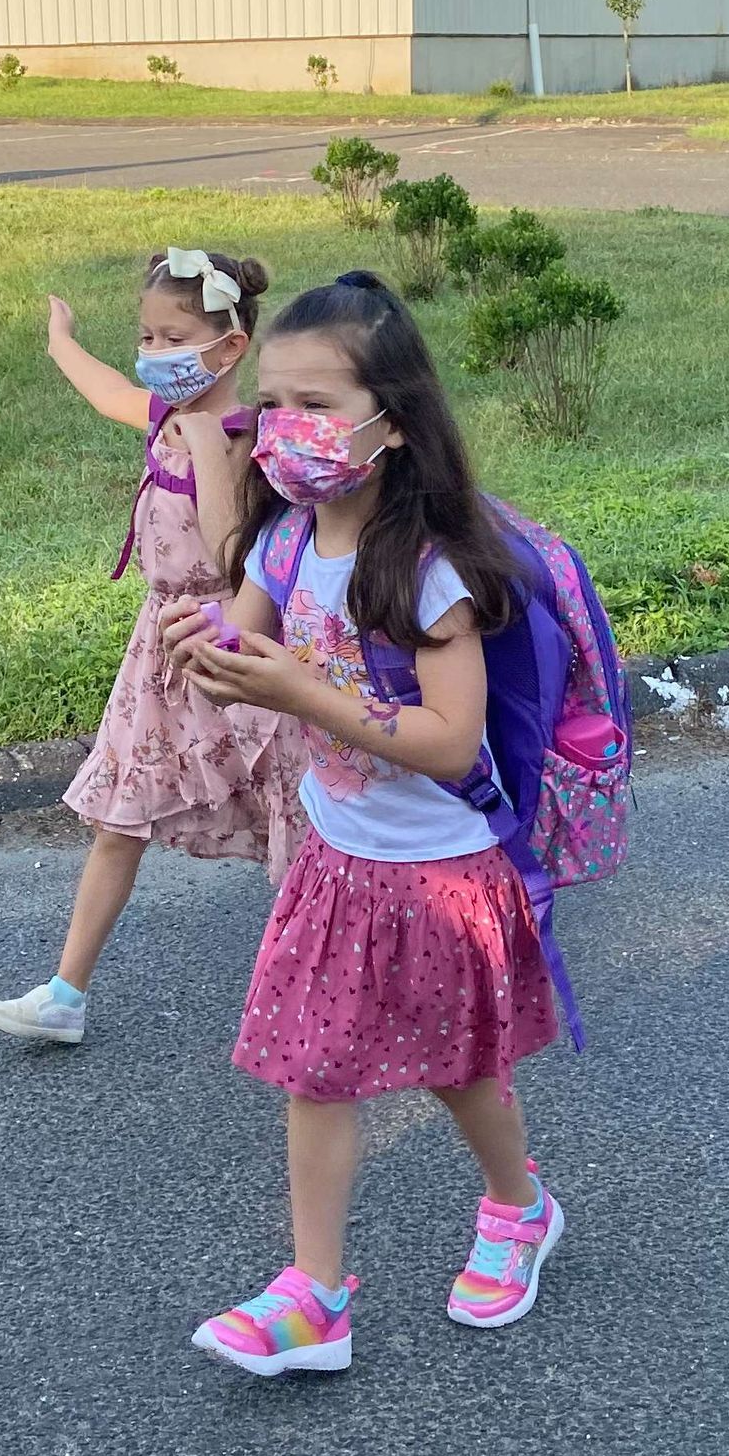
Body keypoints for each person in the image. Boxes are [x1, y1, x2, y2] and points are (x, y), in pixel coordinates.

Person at [161, 271, 563, 1377]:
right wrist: (208, 654)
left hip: (438, 869)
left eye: (321, 406)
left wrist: (305, 694)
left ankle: (518, 1208)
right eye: (273, 404)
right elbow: (242, 651)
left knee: (458, 1070)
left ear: (394, 419)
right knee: (314, 1069)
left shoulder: (429, 573)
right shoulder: (288, 544)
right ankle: (314, 1296)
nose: (289, 431)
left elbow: (447, 742)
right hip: (338, 861)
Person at [0, 248, 306, 1046]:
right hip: (160, 656)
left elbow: (233, 556)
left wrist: (207, 443)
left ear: (229, 348)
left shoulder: (250, 437)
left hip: (236, 650)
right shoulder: (166, 418)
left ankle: (338, 985)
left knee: (294, 822)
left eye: (172, 338)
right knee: (119, 818)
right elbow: (108, 392)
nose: (152, 355)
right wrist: (60, 338)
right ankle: (63, 995)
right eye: (147, 337)